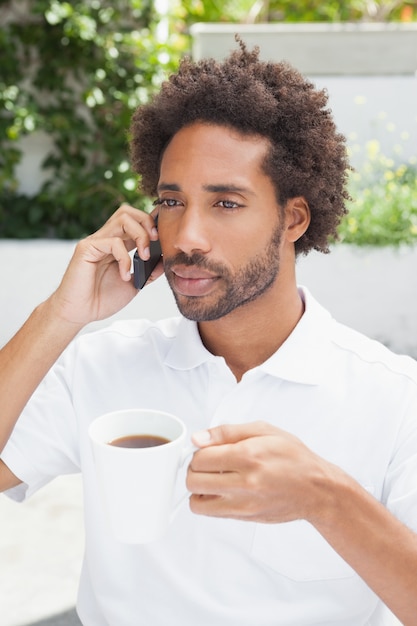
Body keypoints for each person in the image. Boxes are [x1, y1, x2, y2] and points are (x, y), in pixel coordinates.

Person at [1, 38, 417, 626]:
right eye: (171, 201)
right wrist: (60, 315)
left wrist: (325, 499)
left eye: (225, 203)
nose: (187, 235)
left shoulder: (396, 397)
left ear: (293, 218)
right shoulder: (100, 366)